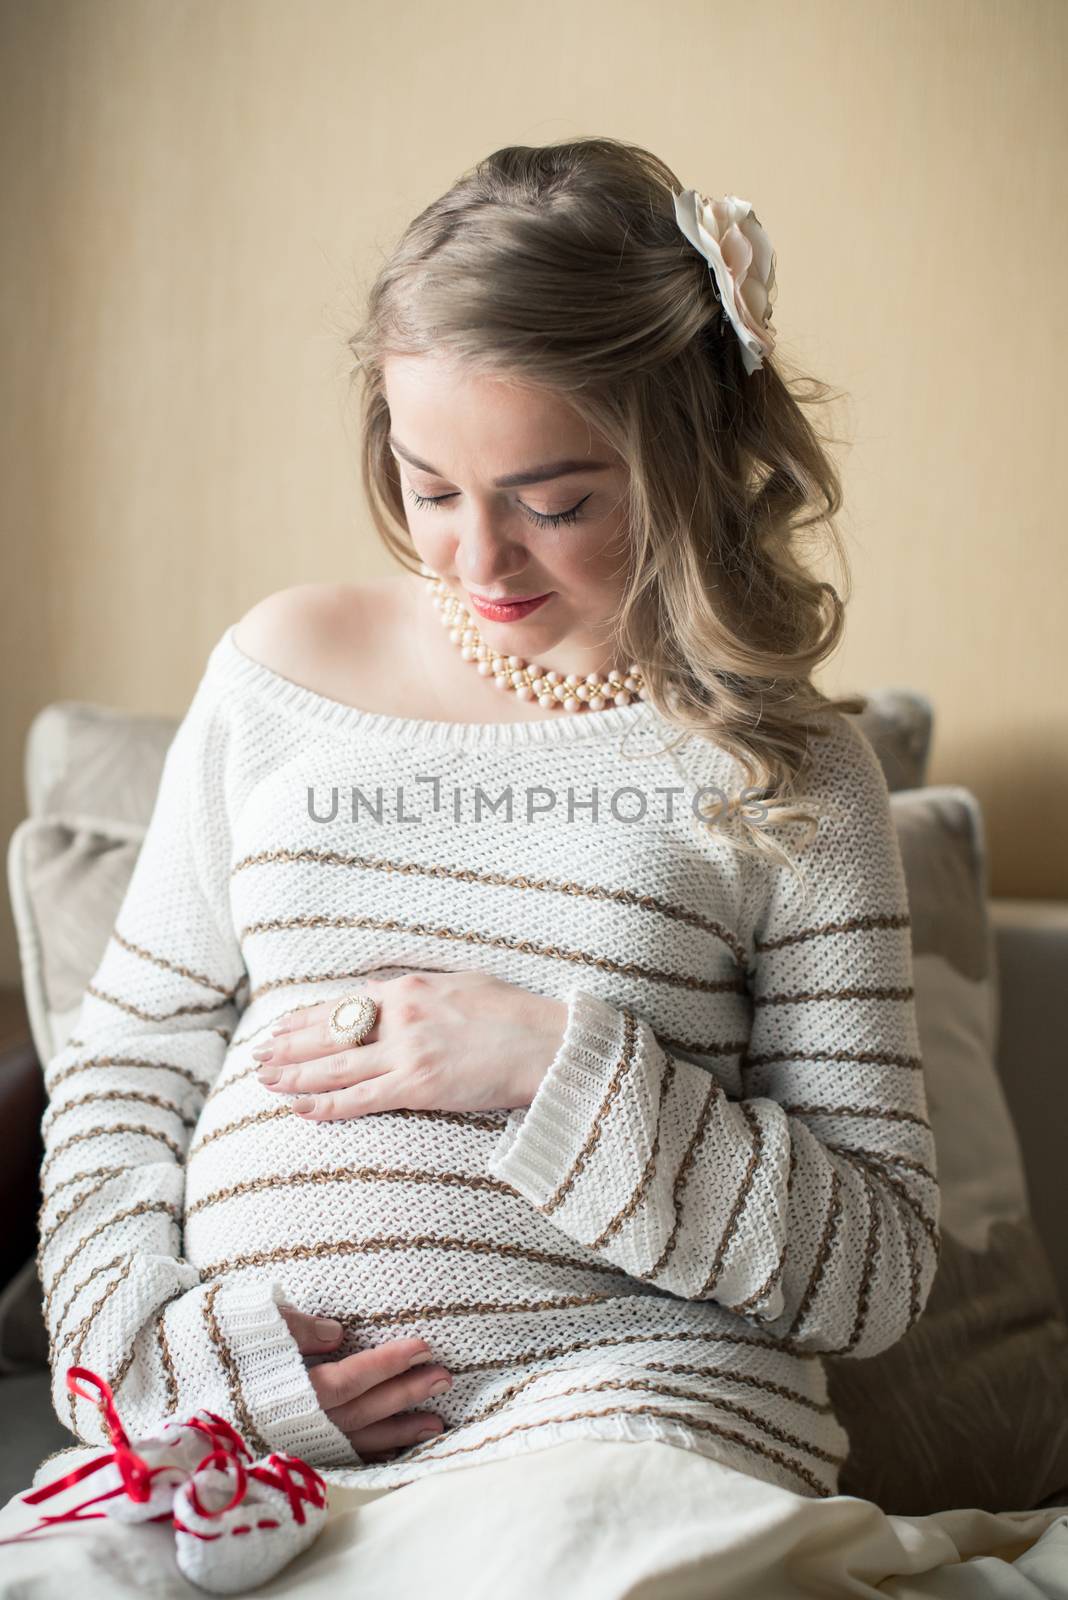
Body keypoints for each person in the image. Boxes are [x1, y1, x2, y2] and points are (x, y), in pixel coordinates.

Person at [3, 136, 943, 1594]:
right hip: (243, 1430)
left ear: (687, 456)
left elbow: (873, 1269)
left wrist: (552, 1065)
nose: (479, 560)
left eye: (556, 501)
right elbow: (127, 1070)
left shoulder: (794, 771)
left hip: (626, 1404)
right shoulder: (276, 671)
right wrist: (166, 1362)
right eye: (429, 483)